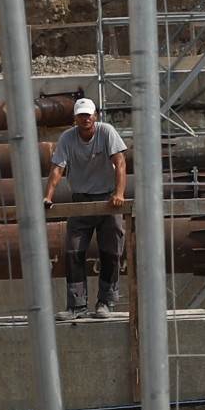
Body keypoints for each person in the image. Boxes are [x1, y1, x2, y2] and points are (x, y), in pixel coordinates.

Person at [43, 97, 127, 320]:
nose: (85, 119)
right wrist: (48, 196)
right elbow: (57, 168)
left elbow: (120, 162)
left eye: (88, 115)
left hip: (107, 201)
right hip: (80, 200)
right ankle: (76, 305)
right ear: (75, 118)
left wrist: (118, 194)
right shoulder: (67, 139)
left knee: (111, 251)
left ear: (95, 116)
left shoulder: (106, 132)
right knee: (73, 251)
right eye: (81, 115)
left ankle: (106, 301)